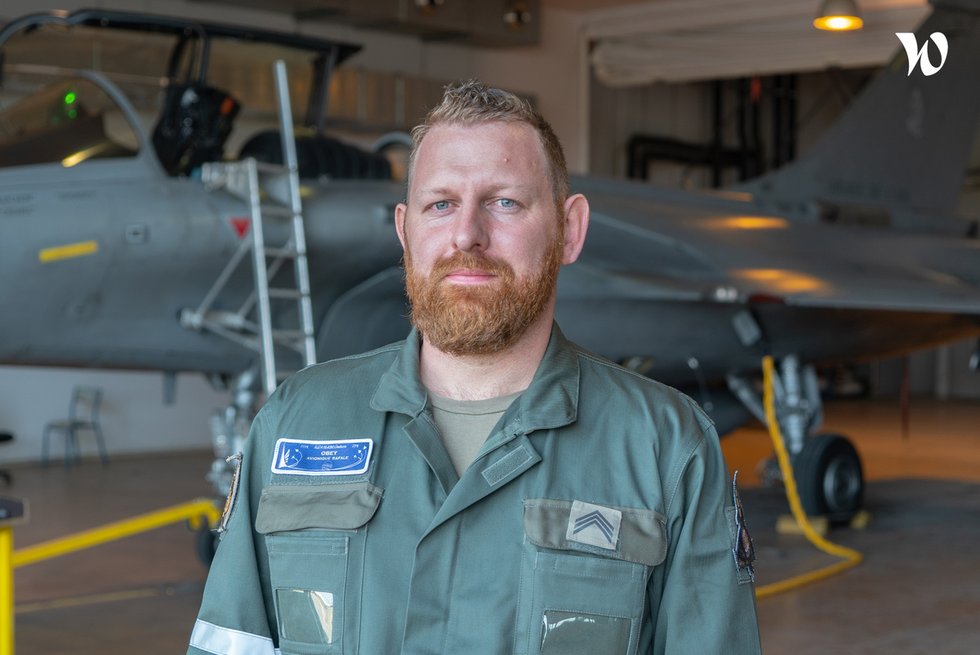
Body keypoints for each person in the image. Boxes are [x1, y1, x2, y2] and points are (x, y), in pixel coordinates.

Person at [188, 80, 761, 655]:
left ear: (570, 230)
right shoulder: (296, 421)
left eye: (504, 202)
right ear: (404, 232)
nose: (467, 234)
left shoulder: (665, 448)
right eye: (441, 204)